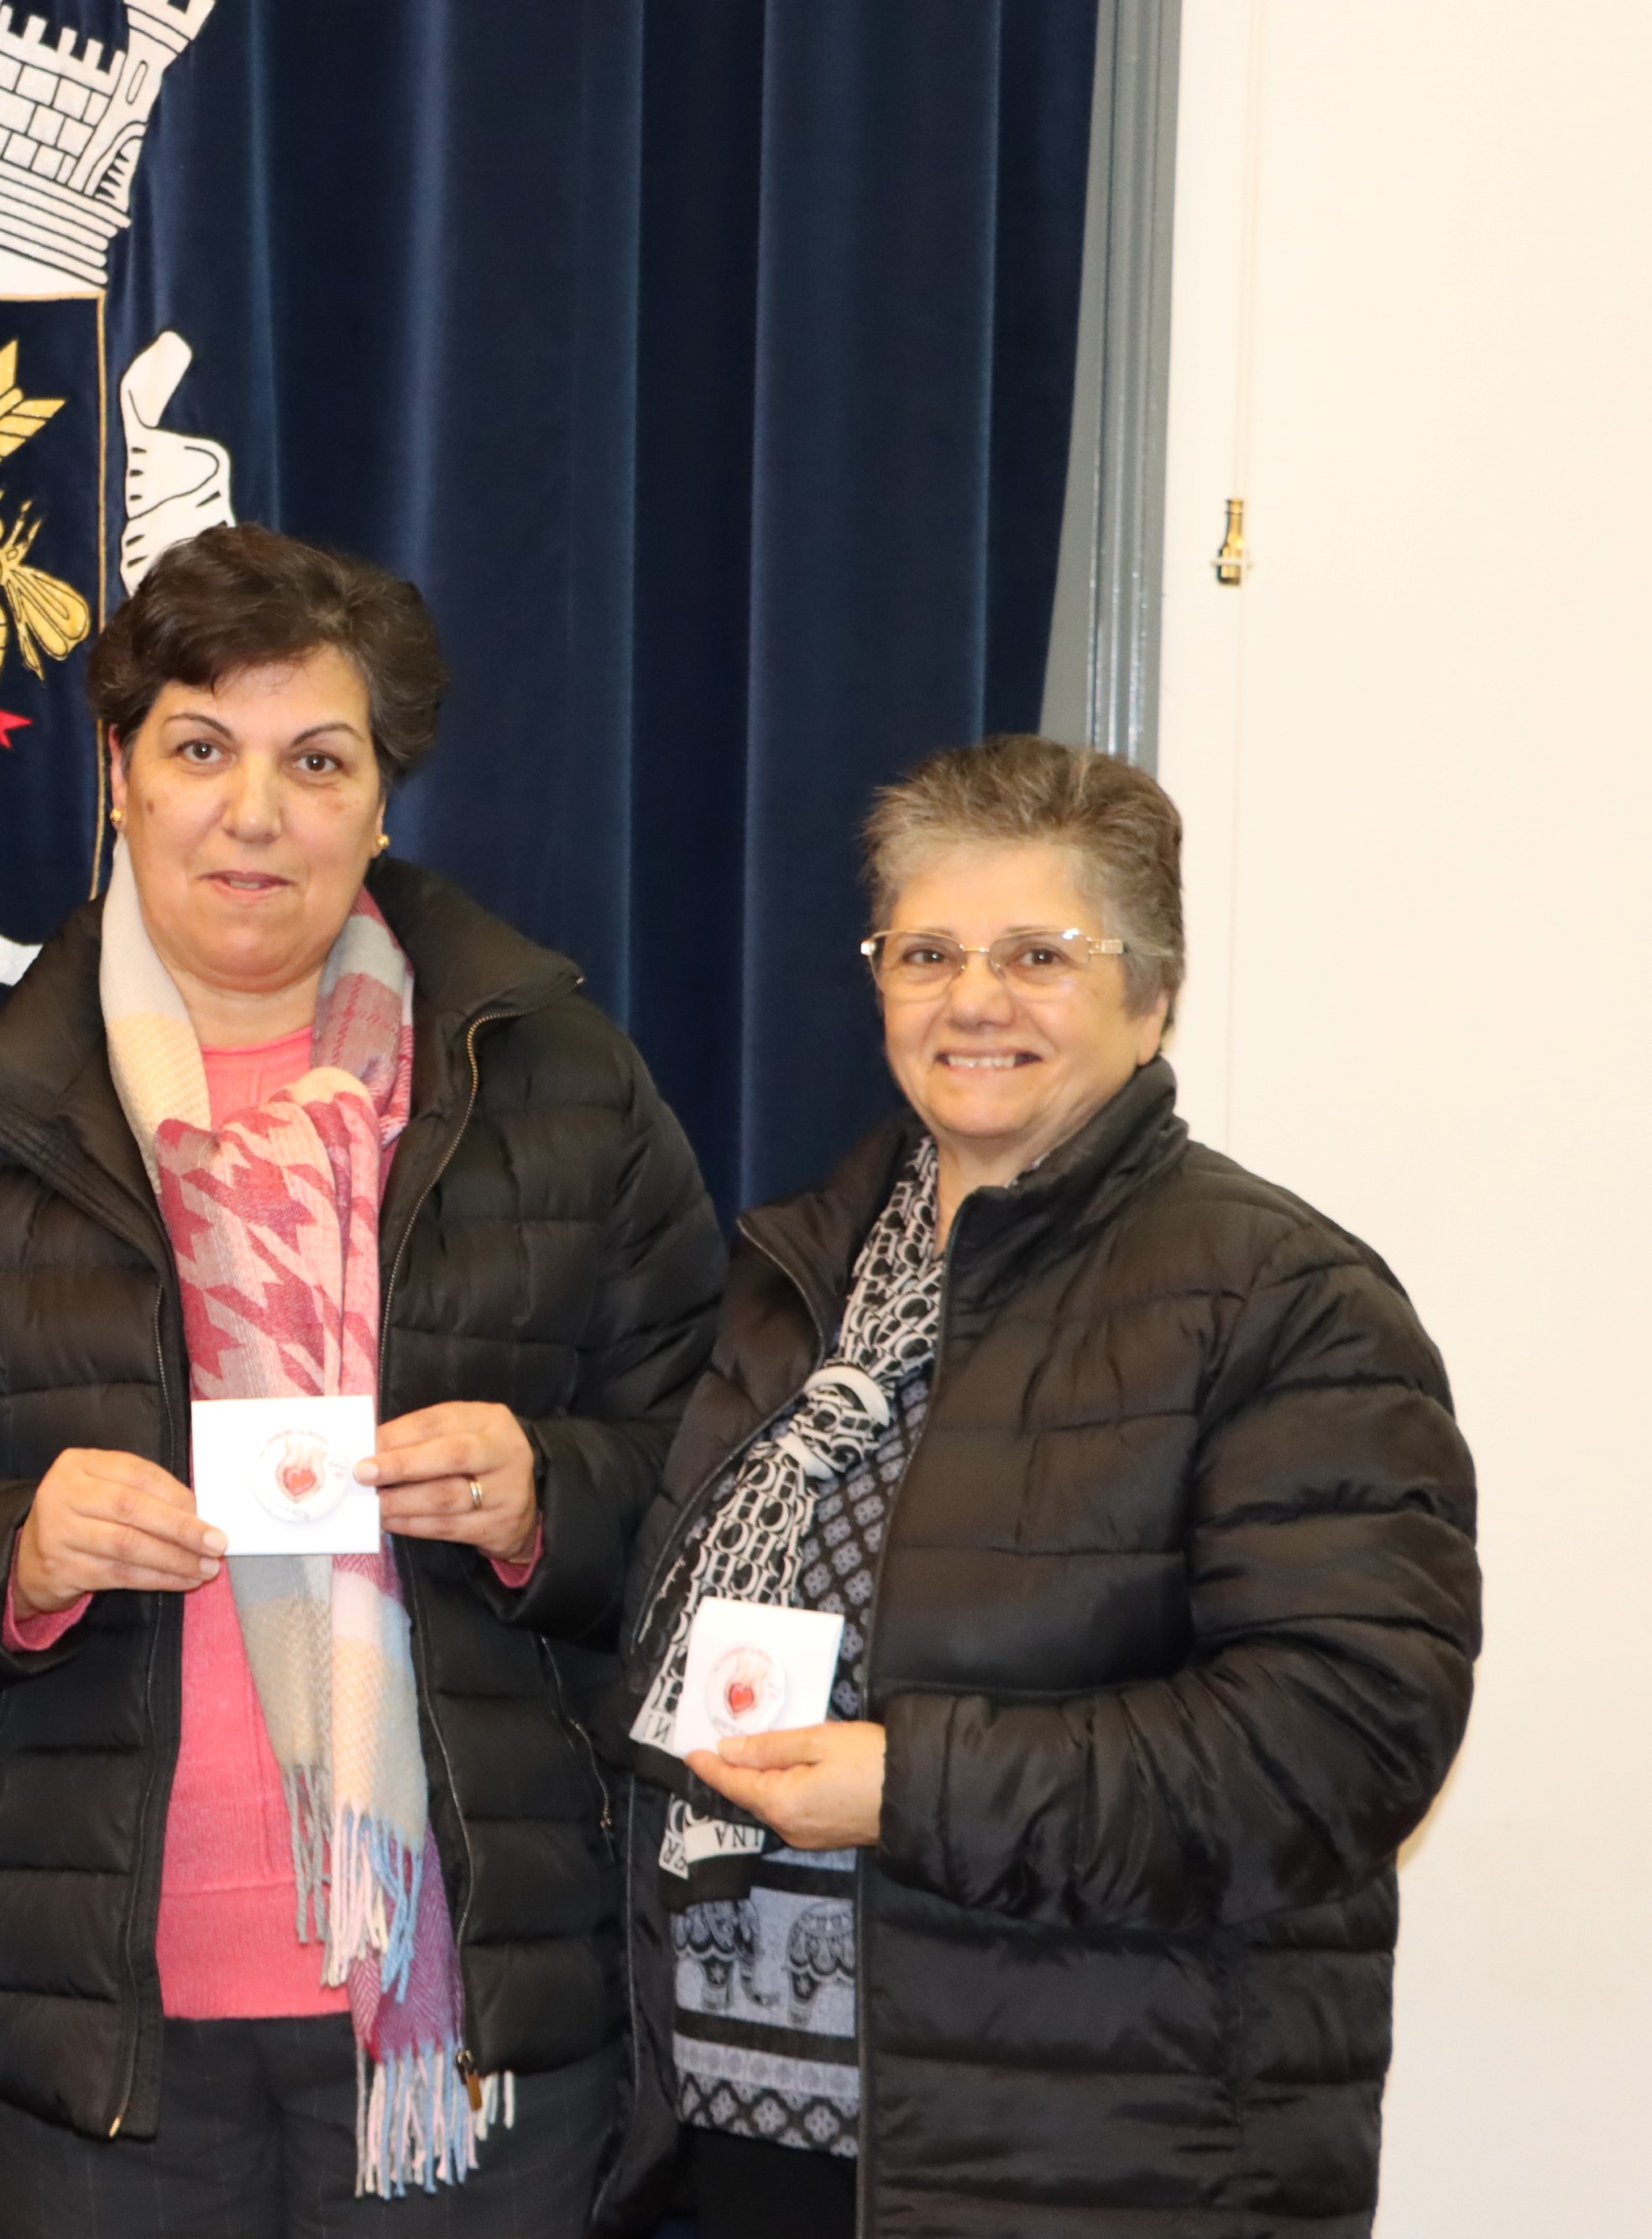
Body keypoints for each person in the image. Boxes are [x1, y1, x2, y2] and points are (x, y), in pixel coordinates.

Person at [0, 523, 728, 2236]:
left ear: (380, 801)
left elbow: (714, 1490)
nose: (253, 812)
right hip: (100, 2025)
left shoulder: (554, 1079)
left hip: (477, 2014)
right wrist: (14, 1547)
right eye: (198, 749)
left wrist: (545, 1495)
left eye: (315, 761)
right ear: (119, 777)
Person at [603, 735, 1479, 2239]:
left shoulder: (1286, 1301)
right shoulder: (794, 1279)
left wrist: (912, 1784)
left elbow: (1340, 1741)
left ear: (1153, 990)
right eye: (928, 950)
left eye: (1039, 954)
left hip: (1100, 2162)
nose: (975, 999)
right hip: (750, 2146)